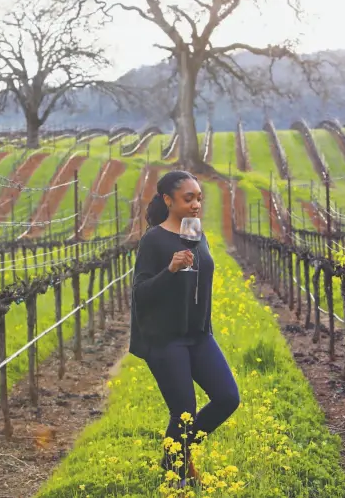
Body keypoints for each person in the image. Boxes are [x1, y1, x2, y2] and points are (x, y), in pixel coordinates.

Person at [129, 170, 240, 489]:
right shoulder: (153, 240)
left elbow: (199, 277)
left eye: (199, 198)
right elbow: (140, 293)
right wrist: (171, 270)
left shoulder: (195, 230)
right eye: (188, 198)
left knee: (227, 398)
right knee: (184, 412)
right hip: (164, 339)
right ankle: (173, 479)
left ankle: (178, 453)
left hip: (199, 335)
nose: (196, 205)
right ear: (168, 200)